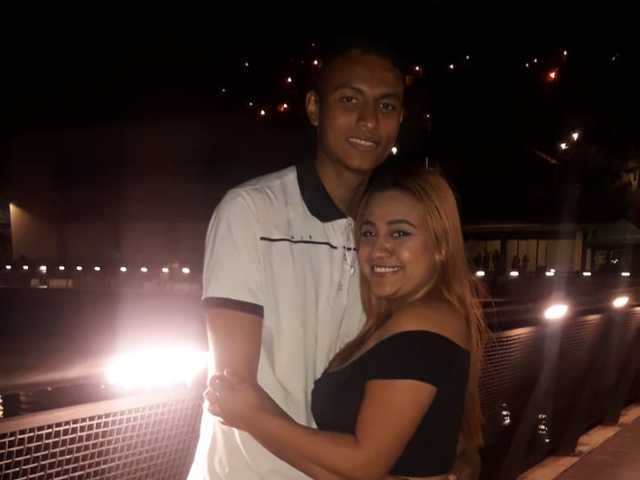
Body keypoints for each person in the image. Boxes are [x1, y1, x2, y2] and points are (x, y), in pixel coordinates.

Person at [188, 36, 406, 479]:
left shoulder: (387, 236)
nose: (369, 121)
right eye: (349, 100)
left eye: (385, 106)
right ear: (313, 108)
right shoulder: (251, 212)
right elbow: (234, 390)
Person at [211, 165, 488, 479]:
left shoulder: (423, 322)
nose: (379, 249)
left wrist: (253, 417)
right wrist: (255, 414)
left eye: (400, 233)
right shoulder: (404, 322)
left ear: (440, 246)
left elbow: (362, 464)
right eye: (369, 233)